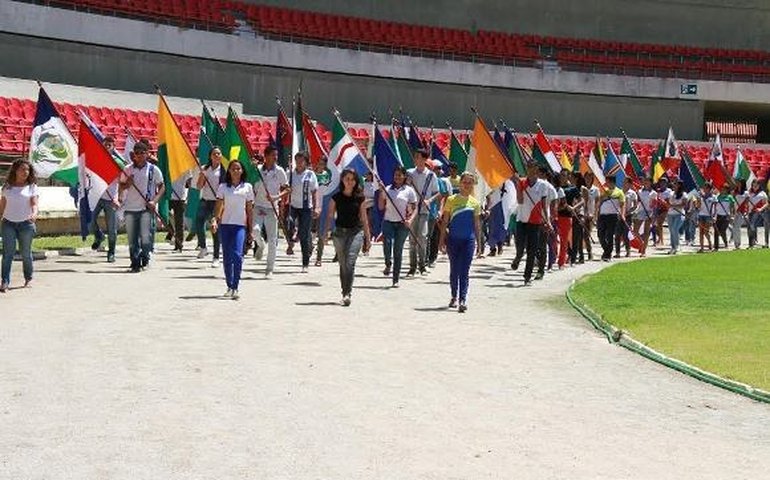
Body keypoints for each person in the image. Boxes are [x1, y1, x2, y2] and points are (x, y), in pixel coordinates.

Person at [323, 169, 372, 306]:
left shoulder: (360, 198)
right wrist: (326, 233)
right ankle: (344, 291)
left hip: (356, 232)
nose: (350, 182)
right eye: (347, 179)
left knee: (350, 262)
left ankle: (347, 293)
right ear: (342, 180)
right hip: (339, 233)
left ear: (356, 181)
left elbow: (364, 219)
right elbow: (330, 216)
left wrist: (368, 238)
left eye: (352, 179)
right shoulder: (336, 198)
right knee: (343, 264)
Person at [439, 172, 483, 313]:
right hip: (453, 240)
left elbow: (477, 225)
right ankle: (454, 295)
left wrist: (479, 244)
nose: (467, 185)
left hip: (468, 241)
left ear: (473, 185)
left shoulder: (475, 203)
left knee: (464, 271)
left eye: (470, 183)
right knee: (454, 270)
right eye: (465, 182)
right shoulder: (451, 200)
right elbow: (445, 221)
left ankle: (462, 299)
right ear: (460, 183)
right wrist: (441, 241)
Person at [119, 142, 165, 272]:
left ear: (147, 154)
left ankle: (145, 258)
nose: (139, 155)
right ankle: (135, 263)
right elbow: (121, 185)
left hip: (146, 208)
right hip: (130, 208)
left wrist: (154, 201)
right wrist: (128, 184)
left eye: (142, 153)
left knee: (145, 237)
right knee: (132, 238)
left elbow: (162, 186)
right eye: (137, 153)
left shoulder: (153, 169)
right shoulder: (128, 169)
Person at [211, 160, 254, 300]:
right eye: (233, 169)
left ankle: (235, 286)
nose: (236, 171)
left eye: (238, 169)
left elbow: (249, 210)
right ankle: (229, 285)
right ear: (229, 171)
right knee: (227, 257)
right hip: (225, 225)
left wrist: (250, 229)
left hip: (240, 226)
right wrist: (215, 220)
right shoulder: (223, 187)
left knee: (237, 255)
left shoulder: (247, 187)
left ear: (242, 171)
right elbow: (219, 206)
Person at [512, 163, 554, 286]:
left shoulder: (543, 185)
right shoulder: (522, 182)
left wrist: (547, 221)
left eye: (533, 168)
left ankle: (527, 276)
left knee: (532, 249)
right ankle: (518, 257)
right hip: (522, 219)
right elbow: (520, 201)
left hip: (535, 222)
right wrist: (518, 186)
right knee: (520, 246)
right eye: (528, 168)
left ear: (536, 169)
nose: (530, 171)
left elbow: (544, 205)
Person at [0, 159, 39, 292]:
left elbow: (34, 204)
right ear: (15, 170)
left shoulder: (32, 187)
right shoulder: (7, 187)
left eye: (27, 170)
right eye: (22, 169)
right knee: (8, 254)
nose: (25, 172)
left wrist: (34, 214)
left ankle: (28, 278)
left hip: (26, 224)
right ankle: (5, 281)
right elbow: (2, 206)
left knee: (26, 253)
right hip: (8, 224)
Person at [252, 145, 289, 277]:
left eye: (276, 155)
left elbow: (287, 189)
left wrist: (276, 197)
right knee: (255, 231)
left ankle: (269, 268)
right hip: (258, 206)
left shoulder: (279, 171)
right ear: (266, 156)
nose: (275, 157)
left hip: (272, 207)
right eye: (273, 155)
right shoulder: (257, 170)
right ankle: (260, 245)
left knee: (272, 239)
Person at [379, 166, 417, 288]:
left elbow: (414, 208)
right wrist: (381, 192)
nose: (397, 177)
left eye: (400, 175)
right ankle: (388, 263)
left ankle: (395, 278)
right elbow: (381, 207)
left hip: (402, 224)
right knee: (387, 245)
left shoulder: (409, 191)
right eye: (396, 175)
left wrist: (410, 220)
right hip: (388, 222)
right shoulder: (387, 189)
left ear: (404, 176)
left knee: (398, 250)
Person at [406, 148, 440, 276]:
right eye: (415, 157)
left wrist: (429, 200)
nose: (416, 159)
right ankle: (412, 267)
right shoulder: (409, 173)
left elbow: (437, 193)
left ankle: (422, 265)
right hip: (412, 210)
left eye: (418, 157)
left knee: (422, 237)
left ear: (425, 159)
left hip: (424, 211)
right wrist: (407, 183)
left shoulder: (431, 175)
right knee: (412, 239)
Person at [89, 136, 121, 262]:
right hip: (97, 196)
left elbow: (123, 181)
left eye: (109, 145)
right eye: (105, 144)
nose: (107, 147)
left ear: (113, 147)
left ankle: (111, 252)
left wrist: (118, 198)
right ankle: (99, 236)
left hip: (111, 198)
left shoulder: (117, 162)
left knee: (112, 229)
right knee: (89, 221)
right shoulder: (96, 159)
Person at [287, 151, 320, 273]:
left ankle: (305, 262)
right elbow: (285, 187)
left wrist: (316, 207)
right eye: (297, 160)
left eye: (302, 161)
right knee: (289, 222)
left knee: (304, 235)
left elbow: (314, 192)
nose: (299, 163)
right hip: (293, 206)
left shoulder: (310, 174)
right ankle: (292, 238)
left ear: (306, 162)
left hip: (306, 208)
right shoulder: (291, 174)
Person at [195, 147, 224, 266]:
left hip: (217, 202)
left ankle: (216, 257)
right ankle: (203, 247)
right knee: (198, 222)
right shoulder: (205, 169)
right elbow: (198, 186)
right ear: (210, 156)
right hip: (205, 200)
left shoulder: (224, 170)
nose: (216, 156)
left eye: (218, 153)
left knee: (215, 229)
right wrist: (202, 176)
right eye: (214, 154)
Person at [596, 175, 625, 262]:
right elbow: (599, 203)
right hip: (602, 215)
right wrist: (597, 214)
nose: (606, 183)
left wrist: (622, 214)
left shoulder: (619, 192)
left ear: (612, 182)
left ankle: (607, 255)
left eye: (607, 182)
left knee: (609, 235)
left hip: (612, 216)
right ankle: (606, 250)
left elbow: (622, 204)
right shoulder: (605, 191)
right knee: (600, 235)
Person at [313, 156, 332, 267]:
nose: (320, 165)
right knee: (310, 231)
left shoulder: (328, 175)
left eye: (322, 164)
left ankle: (319, 257)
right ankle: (309, 248)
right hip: (312, 206)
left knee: (321, 232)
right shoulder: (312, 175)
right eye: (319, 163)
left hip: (324, 207)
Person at [167, 169, 192, 252]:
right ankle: (171, 231)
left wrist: (190, 194)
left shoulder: (185, 168)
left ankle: (178, 245)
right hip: (167, 195)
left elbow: (189, 182)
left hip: (180, 197)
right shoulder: (168, 166)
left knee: (179, 222)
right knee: (163, 215)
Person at [633, 177, 656, 257]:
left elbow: (654, 205)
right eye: (645, 181)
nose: (645, 182)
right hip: (640, 211)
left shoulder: (653, 193)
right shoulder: (639, 191)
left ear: (651, 183)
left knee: (646, 232)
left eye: (647, 181)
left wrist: (653, 215)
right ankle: (641, 243)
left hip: (649, 212)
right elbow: (637, 202)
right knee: (635, 231)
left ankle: (643, 251)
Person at [615, 177, 637, 258]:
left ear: (630, 184)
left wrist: (627, 212)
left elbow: (635, 205)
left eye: (626, 182)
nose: (624, 183)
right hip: (619, 215)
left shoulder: (632, 193)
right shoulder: (619, 192)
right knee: (617, 234)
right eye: (623, 182)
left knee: (625, 234)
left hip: (628, 216)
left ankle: (628, 251)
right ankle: (617, 252)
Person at [581, 171, 600, 261]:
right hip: (581, 214)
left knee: (586, 235)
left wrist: (595, 215)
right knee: (579, 235)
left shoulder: (595, 189)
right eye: (586, 177)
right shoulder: (581, 188)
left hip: (590, 215)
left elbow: (597, 204)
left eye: (589, 178)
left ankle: (589, 252)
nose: (588, 179)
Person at [666, 180, 687, 255]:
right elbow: (667, 202)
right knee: (671, 231)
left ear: (679, 186)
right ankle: (673, 247)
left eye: (676, 184)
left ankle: (677, 246)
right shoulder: (671, 193)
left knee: (675, 229)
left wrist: (673, 206)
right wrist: (667, 204)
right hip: (670, 214)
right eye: (674, 184)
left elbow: (684, 205)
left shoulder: (684, 194)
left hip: (679, 214)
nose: (674, 185)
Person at [713, 184, 735, 251]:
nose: (722, 190)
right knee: (716, 231)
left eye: (724, 189)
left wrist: (731, 215)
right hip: (718, 216)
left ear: (727, 190)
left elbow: (732, 207)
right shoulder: (718, 196)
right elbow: (715, 206)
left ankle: (725, 243)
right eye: (721, 189)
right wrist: (714, 215)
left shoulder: (730, 197)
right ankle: (716, 247)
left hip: (726, 216)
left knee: (723, 230)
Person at [694, 182, 715, 252]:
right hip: (701, 215)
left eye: (706, 188)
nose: (704, 189)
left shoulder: (713, 197)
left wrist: (714, 216)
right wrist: (698, 201)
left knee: (706, 232)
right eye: (704, 188)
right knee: (701, 232)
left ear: (709, 189)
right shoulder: (701, 197)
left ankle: (710, 243)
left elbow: (715, 208)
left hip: (709, 216)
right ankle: (702, 247)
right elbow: (698, 206)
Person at [746, 179, 767, 248]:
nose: (755, 186)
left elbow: (766, 203)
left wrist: (761, 209)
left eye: (756, 184)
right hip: (750, 212)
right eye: (753, 184)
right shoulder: (749, 193)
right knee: (750, 227)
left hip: (758, 212)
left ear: (759, 185)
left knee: (752, 225)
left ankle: (751, 243)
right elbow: (746, 203)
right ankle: (752, 241)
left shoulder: (762, 193)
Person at [733, 181, 748, 249]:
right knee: (734, 227)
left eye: (739, 183)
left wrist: (746, 212)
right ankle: (736, 243)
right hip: (735, 212)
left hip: (742, 212)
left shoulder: (746, 193)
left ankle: (738, 243)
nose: (738, 184)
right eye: (737, 183)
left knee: (737, 227)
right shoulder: (734, 192)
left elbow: (747, 203)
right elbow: (733, 203)